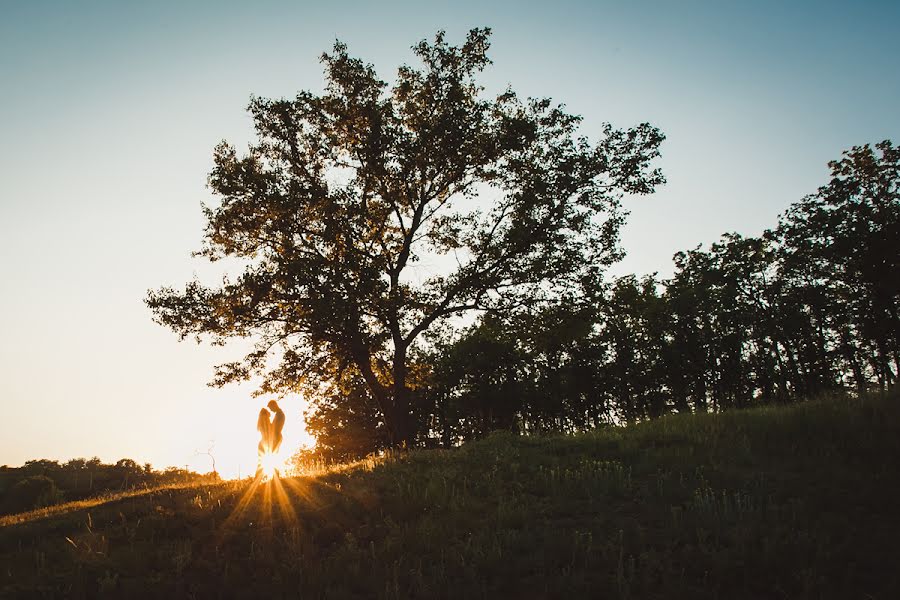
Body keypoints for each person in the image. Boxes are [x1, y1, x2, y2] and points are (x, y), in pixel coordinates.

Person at [256, 407, 272, 476]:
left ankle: (257, 479)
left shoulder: (261, 422)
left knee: (261, 463)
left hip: (263, 443)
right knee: (264, 463)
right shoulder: (265, 422)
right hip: (266, 444)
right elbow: (267, 433)